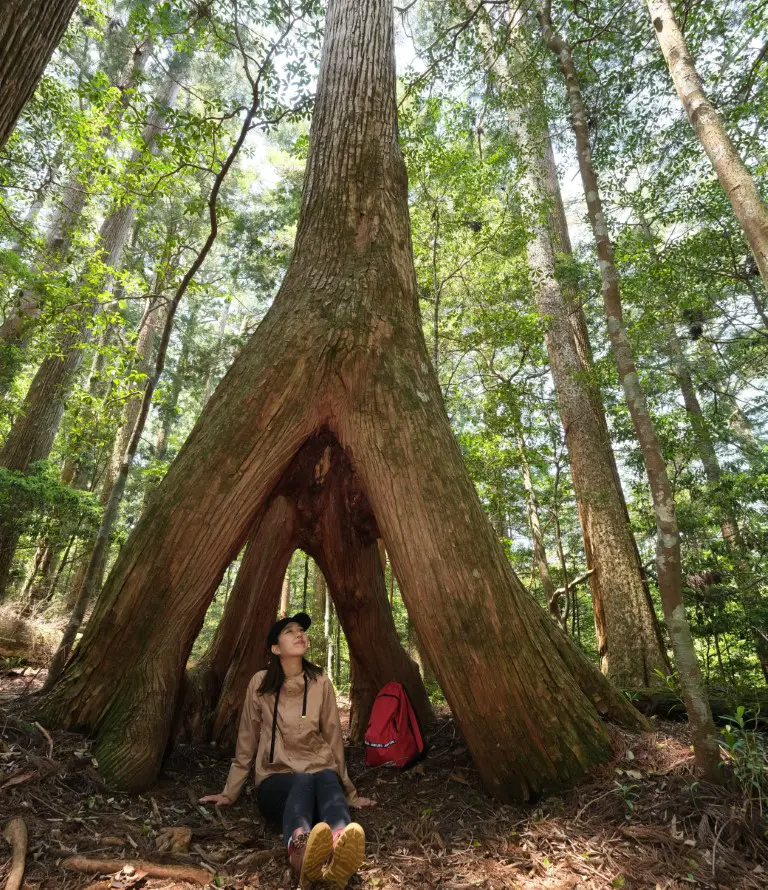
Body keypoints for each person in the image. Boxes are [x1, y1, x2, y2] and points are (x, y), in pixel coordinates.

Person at [200, 611, 376, 888]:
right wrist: (229, 792)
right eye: (289, 631)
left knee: (327, 776)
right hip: (276, 779)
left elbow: (332, 738)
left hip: (320, 776)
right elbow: (247, 737)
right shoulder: (260, 683)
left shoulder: (320, 682)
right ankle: (300, 851)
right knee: (305, 779)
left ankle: (340, 844)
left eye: (301, 631)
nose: (299, 634)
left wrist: (350, 792)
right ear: (275, 648)